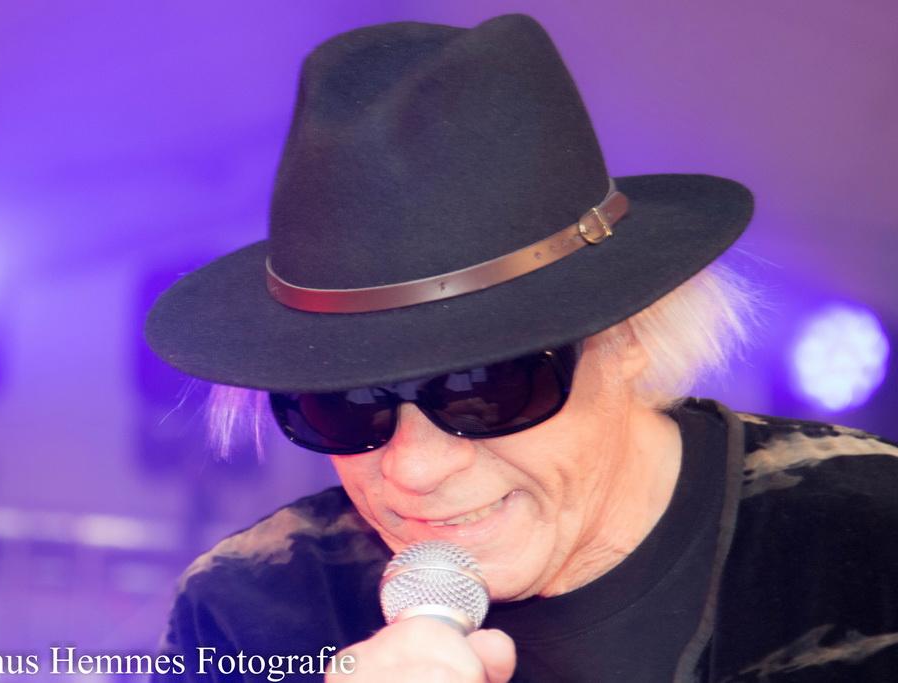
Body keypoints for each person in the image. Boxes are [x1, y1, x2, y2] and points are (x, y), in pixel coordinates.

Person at [144, 13, 898, 682]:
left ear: (627, 334)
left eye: (484, 387)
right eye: (345, 406)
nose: (413, 470)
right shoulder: (251, 610)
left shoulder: (867, 537)